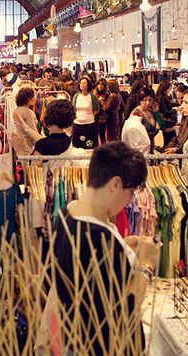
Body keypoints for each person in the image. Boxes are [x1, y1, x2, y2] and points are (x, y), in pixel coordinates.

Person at [50, 141, 149, 353]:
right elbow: (125, 310)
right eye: (130, 192)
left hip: (76, 338)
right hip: (103, 346)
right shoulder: (99, 238)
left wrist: (122, 247)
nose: (130, 200)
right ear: (115, 184)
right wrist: (146, 266)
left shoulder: (67, 213)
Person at [71, 77, 100, 149]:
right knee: (77, 146)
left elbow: (96, 110)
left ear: (88, 85)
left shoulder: (92, 96)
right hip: (77, 124)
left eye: (84, 83)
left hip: (90, 125)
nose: (82, 85)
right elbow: (73, 109)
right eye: (81, 83)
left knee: (90, 145)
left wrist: (88, 116)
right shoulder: (76, 96)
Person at [11, 87, 40, 157]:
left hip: (17, 142)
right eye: (33, 97)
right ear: (28, 99)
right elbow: (33, 131)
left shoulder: (16, 110)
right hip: (27, 144)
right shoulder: (28, 112)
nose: (35, 99)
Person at [155, 81, 178, 147]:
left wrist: (178, 104)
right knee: (169, 140)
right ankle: (166, 154)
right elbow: (165, 112)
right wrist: (175, 110)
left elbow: (169, 104)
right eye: (169, 88)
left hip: (166, 123)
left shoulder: (162, 97)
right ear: (165, 89)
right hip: (167, 122)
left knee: (169, 139)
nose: (170, 90)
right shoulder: (161, 98)